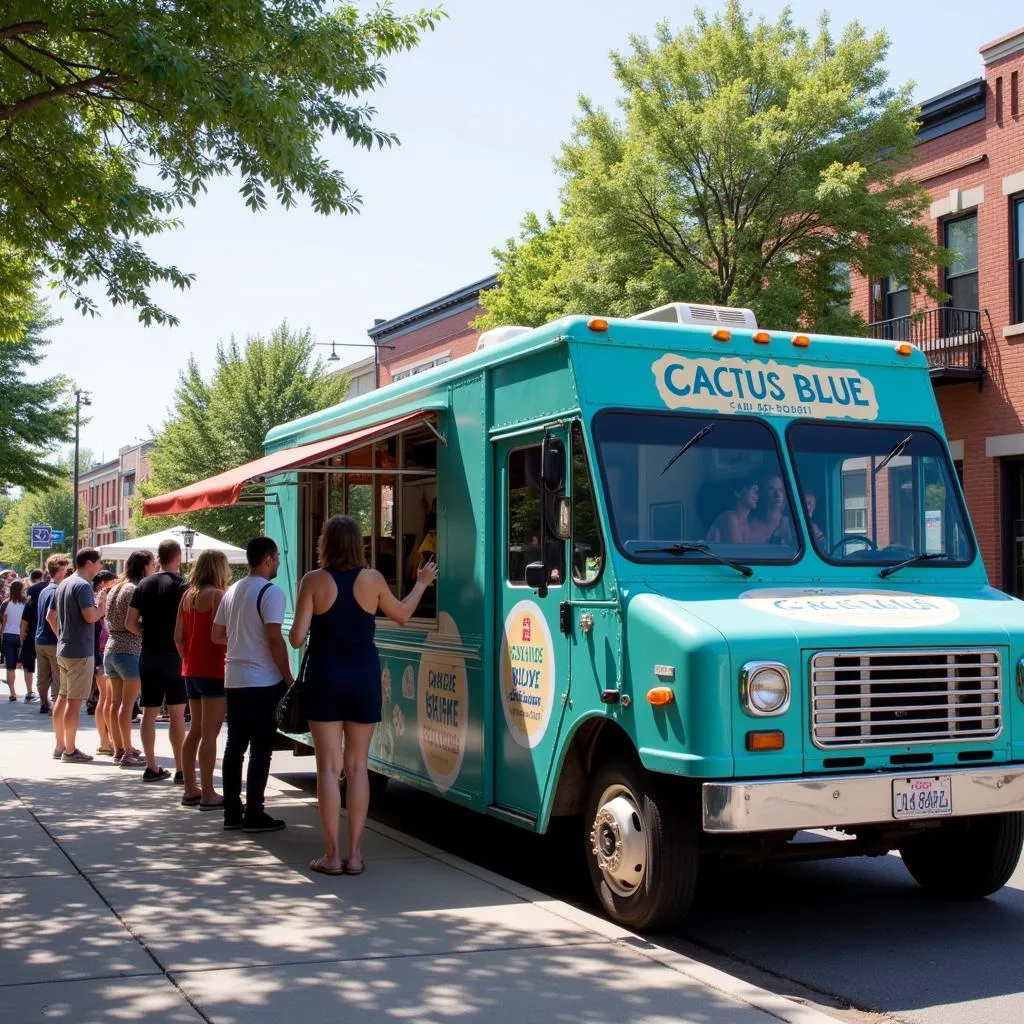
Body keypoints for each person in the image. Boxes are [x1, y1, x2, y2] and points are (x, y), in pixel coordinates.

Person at [290, 515, 438, 877]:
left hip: (324, 676)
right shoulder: (371, 580)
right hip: (363, 678)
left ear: (326, 543)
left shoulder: (313, 580)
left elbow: (295, 639)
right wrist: (420, 583)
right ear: (359, 543)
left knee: (328, 768)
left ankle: (331, 855)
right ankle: (355, 855)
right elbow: (402, 614)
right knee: (358, 768)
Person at [213, 537, 293, 833]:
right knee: (261, 749)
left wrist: (241, 643)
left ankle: (232, 812)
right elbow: (275, 638)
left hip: (234, 679)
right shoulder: (271, 593)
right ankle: (254, 814)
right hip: (263, 680)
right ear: (269, 558)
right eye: (277, 559)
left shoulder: (232, 591)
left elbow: (216, 634)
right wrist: (288, 678)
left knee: (235, 746)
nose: (278, 564)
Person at [126, 540, 187, 783]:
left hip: (149, 654)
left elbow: (130, 622)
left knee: (148, 712)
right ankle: (181, 769)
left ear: (159, 559)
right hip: (175, 655)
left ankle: (151, 766)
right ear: (178, 558)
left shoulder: (144, 583)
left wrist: (147, 632)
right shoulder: (182, 585)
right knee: (177, 714)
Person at [175, 550, 229, 810]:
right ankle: (208, 793)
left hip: (191, 671)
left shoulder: (187, 596)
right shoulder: (217, 596)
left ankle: (190, 789)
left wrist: (188, 658)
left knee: (195, 731)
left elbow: (178, 637)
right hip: (214, 671)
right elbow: (222, 632)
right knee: (210, 735)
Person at [53, 549, 107, 763]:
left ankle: (61, 745)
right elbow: (90, 616)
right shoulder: (83, 585)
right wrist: (102, 606)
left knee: (63, 697)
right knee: (73, 703)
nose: (100, 566)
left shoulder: (65, 583)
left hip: (65, 648)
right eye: (99, 563)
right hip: (79, 651)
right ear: (88, 563)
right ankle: (70, 749)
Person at [104, 551, 154, 769]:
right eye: (152, 564)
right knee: (127, 704)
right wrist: (145, 632)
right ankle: (127, 749)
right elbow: (130, 623)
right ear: (144, 567)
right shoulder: (134, 589)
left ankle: (119, 748)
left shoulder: (115, 587)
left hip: (111, 648)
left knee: (115, 703)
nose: (154, 568)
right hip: (129, 649)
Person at [36, 556, 70, 721]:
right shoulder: (57, 590)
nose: (67, 573)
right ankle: (56, 707)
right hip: (51, 640)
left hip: (39, 639)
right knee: (57, 677)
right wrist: (60, 636)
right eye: (65, 570)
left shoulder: (43, 590)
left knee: (42, 675)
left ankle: (44, 703)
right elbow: (51, 617)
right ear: (60, 571)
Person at [90, 570, 117, 755]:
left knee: (104, 697)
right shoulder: (105, 597)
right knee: (110, 698)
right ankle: (111, 741)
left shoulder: (98, 597)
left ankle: (105, 741)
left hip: (100, 648)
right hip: (107, 646)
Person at [19, 569, 45, 704]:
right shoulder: (48, 601)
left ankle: (29, 692)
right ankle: (46, 696)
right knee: (45, 669)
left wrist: (21, 639)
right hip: (45, 637)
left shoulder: (29, 605)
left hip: (30, 637)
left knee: (28, 666)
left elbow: (23, 623)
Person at [707, 478, 759, 543]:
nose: (757, 495)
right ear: (737, 493)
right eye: (753, 490)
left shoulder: (747, 523)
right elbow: (737, 551)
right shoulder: (730, 517)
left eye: (757, 492)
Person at [1, 580, 28, 701]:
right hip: (21, 636)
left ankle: (13, 693)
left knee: (10, 667)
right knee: (26, 664)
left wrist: (1, 635)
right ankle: (29, 691)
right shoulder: (25, 603)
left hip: (8, 636)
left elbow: (2, 621)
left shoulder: (6, 603)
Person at [747, 473, 790, 545]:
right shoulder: (749, 525)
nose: (777, 494)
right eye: (771, 489)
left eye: (780, 490)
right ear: (762, 493)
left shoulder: (792, 526)